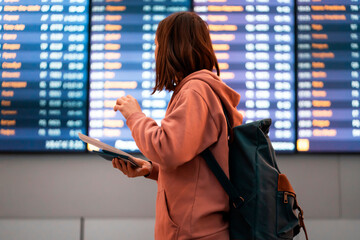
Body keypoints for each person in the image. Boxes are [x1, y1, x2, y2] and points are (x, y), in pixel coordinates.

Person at [113, 12, 243, 240]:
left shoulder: (196, 91)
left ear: (174, 47)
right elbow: (197, 166)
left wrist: (134, 116)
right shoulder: (199, 90)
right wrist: (151, 169)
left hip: (195, 234)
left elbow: (168, 149)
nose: (155, 53)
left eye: (157, 44)